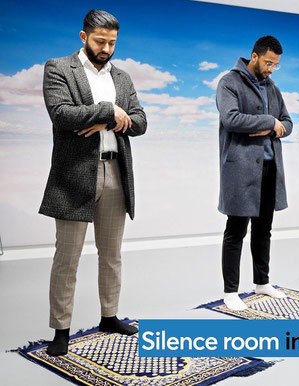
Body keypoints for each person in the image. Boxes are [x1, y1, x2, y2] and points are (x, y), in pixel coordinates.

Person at [39, 9, 147, 356]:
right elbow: (61, 113)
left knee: (111, 254)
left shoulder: (123, 77)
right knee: (67, 258)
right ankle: (61, 330)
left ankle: (109, 316)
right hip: (75, 175)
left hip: (116, 172)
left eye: (112, 42)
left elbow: (141, 121)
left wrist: (106, 121)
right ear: (83, 37)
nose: (106, 48)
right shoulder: (58, 67)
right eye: (101, 41)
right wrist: (109, 112)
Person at [216, 36, 293, 311]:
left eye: (276, 65)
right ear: (255, 56)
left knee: (264, 230)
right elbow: (231, 119)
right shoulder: (229, 82)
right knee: (236, 231)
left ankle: (262, 282)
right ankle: (230, 292)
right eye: (269, 62)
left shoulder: (273, 87)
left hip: (270, 169)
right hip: (240, 169)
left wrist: (273, 126)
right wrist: (270, 122)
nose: (271, 68)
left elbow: (288, 122)